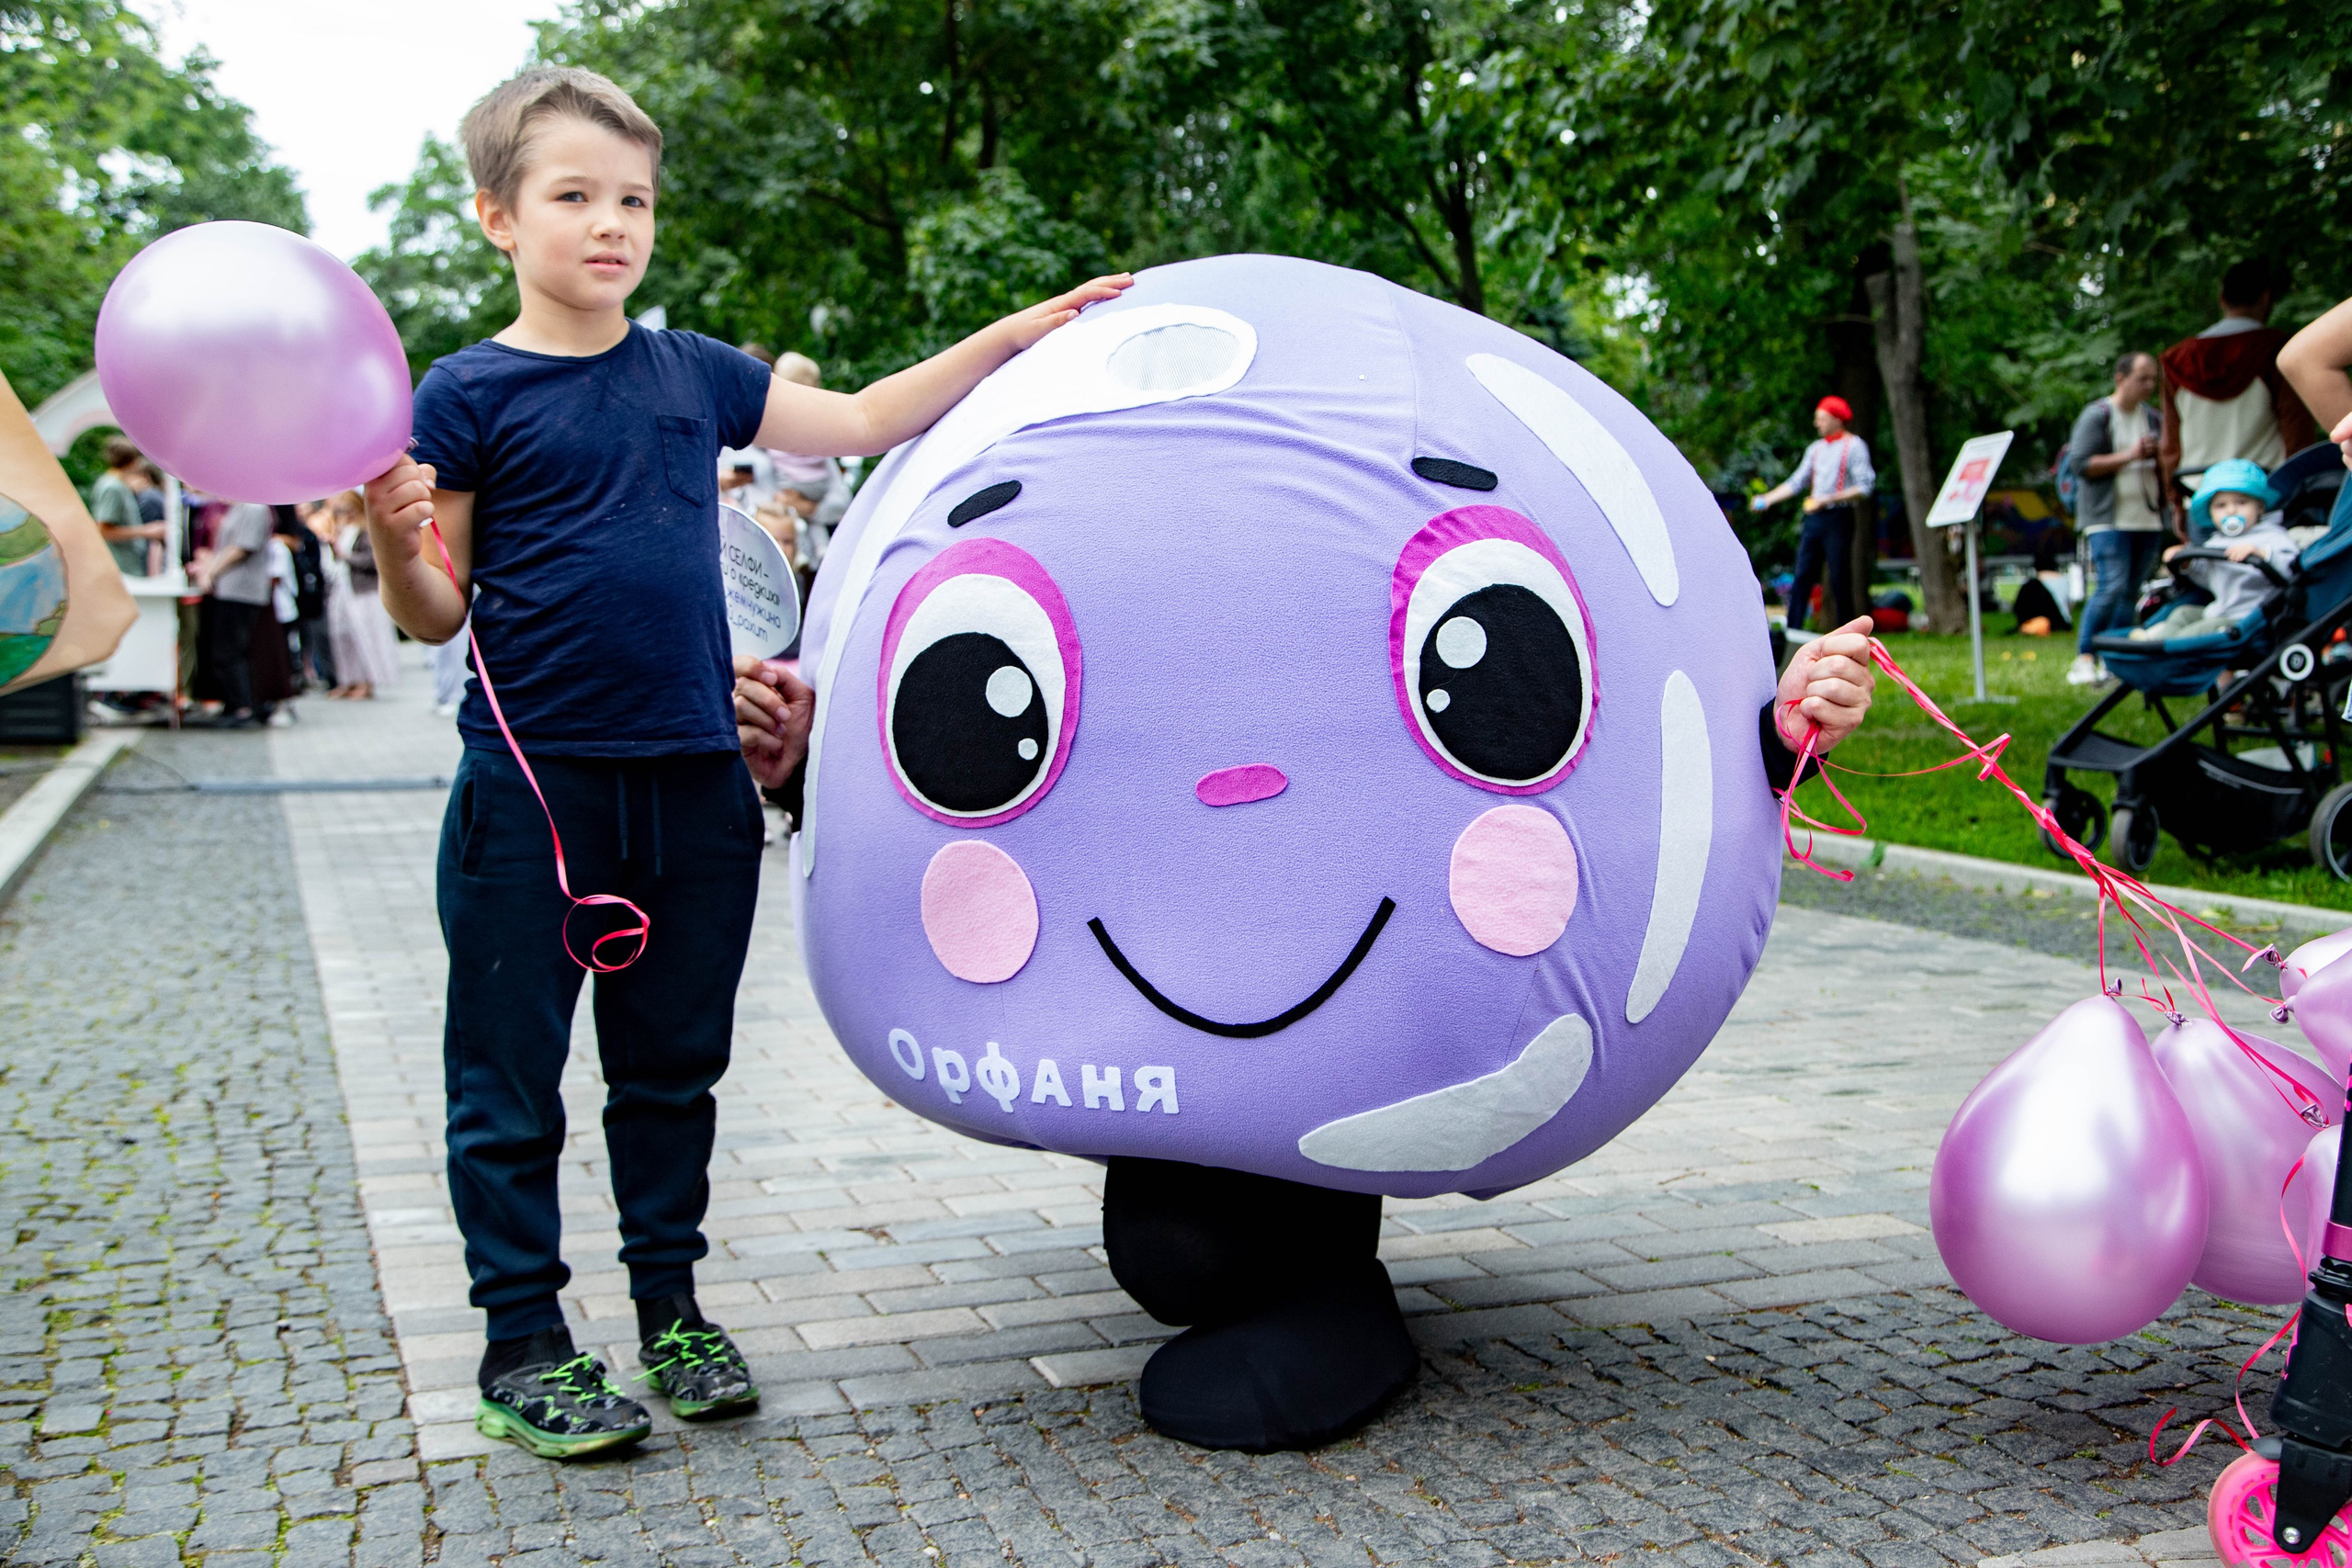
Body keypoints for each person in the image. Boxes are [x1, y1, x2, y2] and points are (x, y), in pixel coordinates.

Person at [356, 63, 1129, 1462]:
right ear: (496, 217)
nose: (612, 224)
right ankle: (522, 1339)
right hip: (531, 792)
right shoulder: (464, 394)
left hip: (696, 784)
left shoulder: (694, 373)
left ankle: (673, 1309)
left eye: (635, 199)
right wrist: (392, 534)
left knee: (672, 1070)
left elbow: (873, 414)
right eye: (574, 196)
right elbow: (437, 609)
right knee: (508, 1078)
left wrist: (1015, 335)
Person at [2160, 259, 2317, 496]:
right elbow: (2297, 431)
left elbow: (2171, 443)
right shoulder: (2277, 351)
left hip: (2200, 495)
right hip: (2265, 492)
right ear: (2266, 298)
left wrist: (2175, 499)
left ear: (2222, 299)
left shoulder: (2176, 360)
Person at [2066, 352, 2166, 685]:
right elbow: (2080, 464)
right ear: (2120, 378)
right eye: (2143, 378)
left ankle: (2115, 660)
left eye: (2154, 379)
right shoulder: (2097, 416)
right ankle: (2084, 658)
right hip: (2107, 519)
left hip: (2147, 518)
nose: (2150, 386)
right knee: (2111, 586)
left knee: (2130, 591)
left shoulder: (2153, 419)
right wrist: (2131, 455)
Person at [1749, 395, 1874, 632]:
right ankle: (1792, 633)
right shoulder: (1815, 449)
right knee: (1802, 574)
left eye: (1822, 419)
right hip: (1814, 519)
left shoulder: (1854, 446)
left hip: (1839, 517)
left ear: (1837, 420)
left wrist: (1826, 499)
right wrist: (1767, 499)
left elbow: (1864, 487)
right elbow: (1796, 482)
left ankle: (1848, 634)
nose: (1817, 423)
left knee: (1839, 578)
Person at [2132, 460, 2296, 640]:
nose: (2231, 510)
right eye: (2221, 506)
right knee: (2183, 613)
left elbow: (2292, 569)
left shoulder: (2272, 536)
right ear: (2211, 513)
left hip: (2248, 617)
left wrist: (2261, 553)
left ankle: (2163, 641)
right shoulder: (2215, 543)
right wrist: (2187, 564)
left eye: (2241, 502)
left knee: (2195, 633)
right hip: (2221, 610)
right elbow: (2208, 578)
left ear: (2260, 507)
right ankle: (2155, 636)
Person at [191, 500, 277, 728]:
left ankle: (243, 707)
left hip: (242, 590)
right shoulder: (240, 507)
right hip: (230, 588)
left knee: (230, 649)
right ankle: (235, 703)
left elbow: (241, 548)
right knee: (227, 648)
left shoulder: (254, 507)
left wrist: (212, 572)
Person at [323, 491, 399, 698]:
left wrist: (346, 557)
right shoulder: (340, 530)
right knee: (342, 636)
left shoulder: (365, 531)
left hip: (362, 591)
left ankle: (368, 682)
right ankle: (348, 680)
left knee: (365, 636)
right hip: (342, 590)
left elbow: (371, 561)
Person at [88, 436, 162, 578]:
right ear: (134, 460)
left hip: (126, 568)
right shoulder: (112, 488)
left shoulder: (117, 484)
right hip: (120, 568)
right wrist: (146, 531)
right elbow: (103, 531)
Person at [278, 507, 334, 692]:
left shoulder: (305, 534)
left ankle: (319, 672)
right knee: (299, 637)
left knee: (312, 635)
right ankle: (303, 671)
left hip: (306, 594)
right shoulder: (291, 534)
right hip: (295, 595)